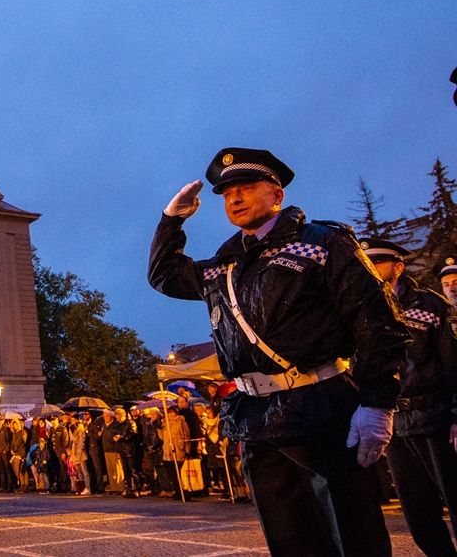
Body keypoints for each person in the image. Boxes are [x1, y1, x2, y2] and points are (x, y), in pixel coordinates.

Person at [149, 147, 409, 555]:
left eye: (247, 188)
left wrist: (378, 401)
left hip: (320, 410)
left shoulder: (322, 243)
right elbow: (164, 276)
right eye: (226, 193)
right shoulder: (225, 263)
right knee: (290, 541)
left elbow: (377, 321)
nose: (234, 198)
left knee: (351, 538)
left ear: (277, 195)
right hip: (255, 419)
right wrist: (172, 221)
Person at [362, 241, 457, 556]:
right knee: (418, 513)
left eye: (377, 262)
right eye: (366, 262)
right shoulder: (362, 309)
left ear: (398, 266)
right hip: (395, 425)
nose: (370, 268)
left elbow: (454, 364)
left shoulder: (430, 305)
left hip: (437, 419)